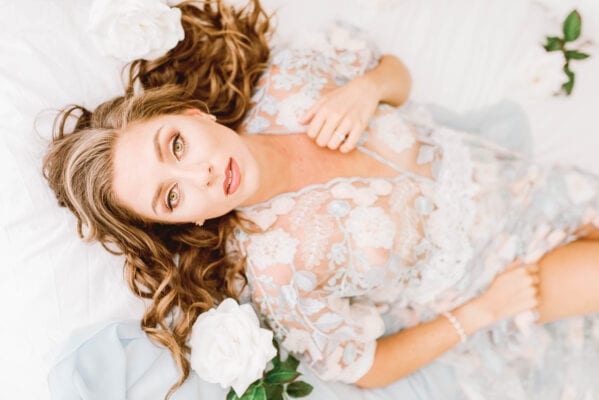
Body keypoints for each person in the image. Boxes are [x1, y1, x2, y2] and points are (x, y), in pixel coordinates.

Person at [43, 3, 599, 399]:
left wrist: (369, 89)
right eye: (172, 195)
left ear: (193, 114)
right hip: (503, 276)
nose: (201, 174)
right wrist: (484, 311)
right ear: (187, 218)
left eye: (177, 145)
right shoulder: (279, 271)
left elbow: (398, 75)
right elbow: (367, 367)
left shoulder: (292, 78)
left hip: (532, 185)